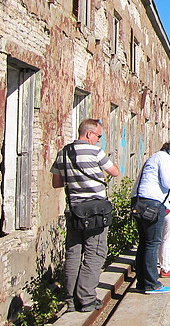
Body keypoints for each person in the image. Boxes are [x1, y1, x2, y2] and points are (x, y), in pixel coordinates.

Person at [51, 119, 120, 312]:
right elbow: (115, 172)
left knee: (73, 253)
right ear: (88, 134)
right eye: (98, 136)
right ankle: (87, 299)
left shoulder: (63, 153)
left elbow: (56, 183)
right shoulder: (95, 152)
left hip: (74, 210)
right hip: (95, 211)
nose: (99, 140)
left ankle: (71, 300)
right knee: (95, 253)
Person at [133, 136, 170, 294]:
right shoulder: (164, 158)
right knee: (152, 244)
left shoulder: (155, 157)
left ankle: (142, 282)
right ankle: (152, 284)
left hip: (140, 202)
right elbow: (168, 183)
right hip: (151, 204)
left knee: (144, 243)